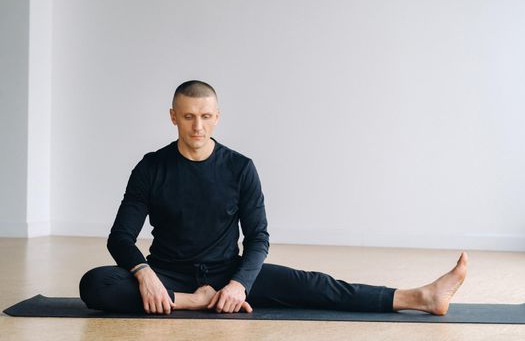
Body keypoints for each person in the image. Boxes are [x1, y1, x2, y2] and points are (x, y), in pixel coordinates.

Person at [79, 80, 468, 316]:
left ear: (217, 116)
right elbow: (120, 239)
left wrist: (238, 286)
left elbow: (259, 238)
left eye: (206, 116)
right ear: (172, 116)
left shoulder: (240, 167)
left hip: (226, 271)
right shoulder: (151, 167)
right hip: (168, 276)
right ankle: (191, 302)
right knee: (96, 284)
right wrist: (146, 276)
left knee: (316, 285)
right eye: (188, 117)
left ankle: (421, 296)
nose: (198, 126)